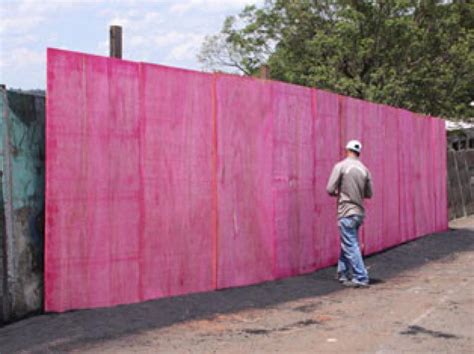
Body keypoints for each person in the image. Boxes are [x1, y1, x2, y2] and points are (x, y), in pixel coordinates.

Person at [326, 140, 373, 287]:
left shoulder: (341, 166)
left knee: (350, 244)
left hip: (346, 211)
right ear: (359, 152)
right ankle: (343, 273)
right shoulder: (365, 170)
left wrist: (339, 193)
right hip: (359, 213)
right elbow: (369, 193)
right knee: (347, 242)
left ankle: (361, 276)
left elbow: (329, 188)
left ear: (347, 150)